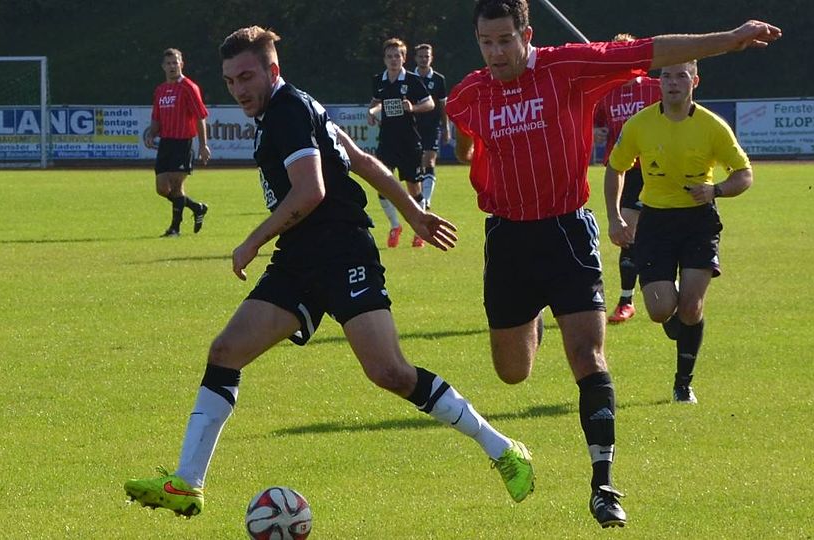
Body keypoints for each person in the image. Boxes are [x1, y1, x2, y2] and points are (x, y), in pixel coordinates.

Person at [124, 25, 534, 518]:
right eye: (230, 81)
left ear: (272, 70)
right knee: (226, 351)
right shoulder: (295, 106)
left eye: (247, 77)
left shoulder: (288, 111)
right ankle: (187, 483)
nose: (238, 89)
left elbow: (311, 191)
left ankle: (502, 448)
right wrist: (412, 212)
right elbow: (361, 160)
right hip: (300, 257)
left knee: (389, 371)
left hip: (342, 251)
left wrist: (253, 241)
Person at [446, 0, 780, 529]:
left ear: (527, 35)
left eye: (505, 40)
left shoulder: (569, 67)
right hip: (507, 238)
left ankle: (603, 485)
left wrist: (730, 38)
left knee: (588, 355)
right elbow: (463, 140)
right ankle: (535, 318)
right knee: (512, 373)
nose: (496, 52)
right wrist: (474, 154)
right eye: (486, 43)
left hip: (567, 232)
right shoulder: (468, 93)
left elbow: (652, 51)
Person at [605, 60, 753, 405]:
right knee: (660, 310)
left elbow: (744, 174)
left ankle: (683, 385)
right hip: (655, 223)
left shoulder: (712, 126)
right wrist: (614, 217)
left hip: (699, 222)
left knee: (691, 306)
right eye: (667, 76)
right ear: (659, 82)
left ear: (694, 81)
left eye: (681, 76)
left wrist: (715, 190)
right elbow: (615, 168)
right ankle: (675, 310)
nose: (673, 82)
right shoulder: (640, 124)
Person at [592, 34, 662, 324]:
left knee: (664, 231)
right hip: (624, 172)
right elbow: (596, 123)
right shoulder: (606, 93)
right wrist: (597, 132)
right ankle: (626, 300)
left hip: (658, 170)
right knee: (627, 234)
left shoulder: (656, 88)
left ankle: (668, 289)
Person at [366, 38, 434, 248]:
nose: (393, 60)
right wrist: (372, 112)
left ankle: (421, 229)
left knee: (413, 187)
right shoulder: (379, 80)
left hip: (409, 142)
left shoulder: (412, 80)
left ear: (404, 58)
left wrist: (413, 108)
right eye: (390, 56)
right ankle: (395, 226)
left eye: (397, 56)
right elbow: (378, 102)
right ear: (384, 59)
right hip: (387, 141)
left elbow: (430, 103)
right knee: (381, 183)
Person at [145, 48, 211, 237]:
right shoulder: (160, 90)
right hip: (166, 143)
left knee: (176, 185)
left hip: (183, 142)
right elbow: (156, 118)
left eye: (175, 62)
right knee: (162, 188)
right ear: (163, 67)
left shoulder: (188, 87)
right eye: (168, 63)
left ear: (182, 64)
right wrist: (151, 134)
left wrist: (203, 145)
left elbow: (200, 116)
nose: (172, 66)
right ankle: (197, 207)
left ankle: (175, 228)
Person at [412, 43, 452, 212]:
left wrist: (446, 128)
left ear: (431, 58)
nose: (424, 59)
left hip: (432, 126)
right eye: (421, 56)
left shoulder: (438, 79)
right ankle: (419, 198)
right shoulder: (408, 78)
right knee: (416, 164)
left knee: (429, 160)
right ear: (415, 58)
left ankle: (426, 200)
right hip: (412, 127)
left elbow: (443, 106)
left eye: (426, 56)